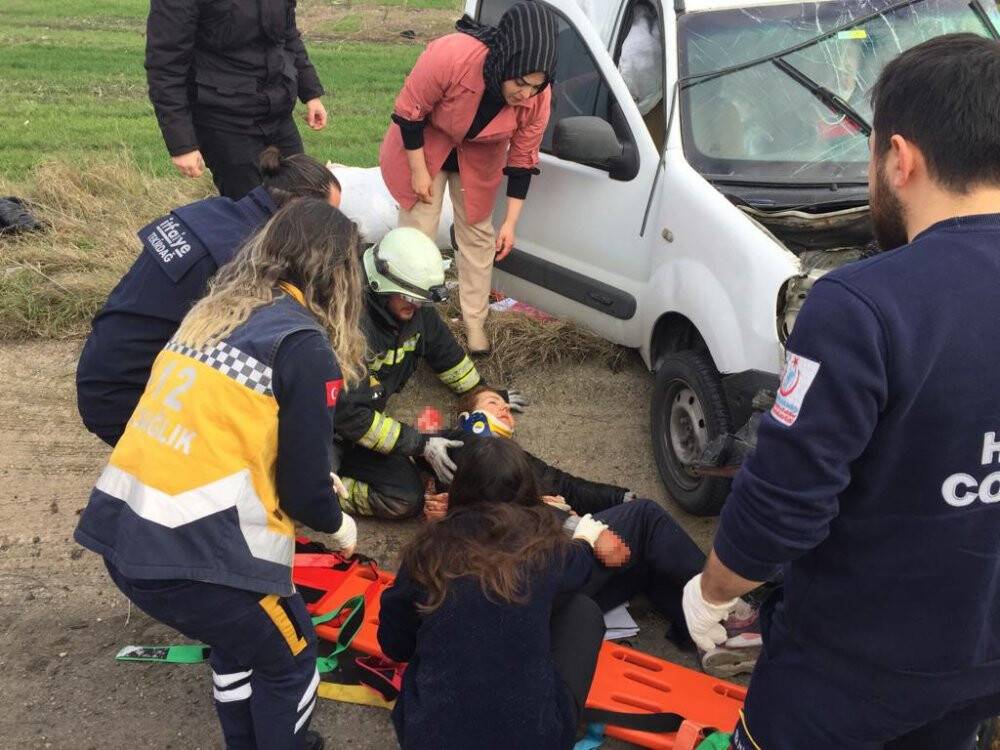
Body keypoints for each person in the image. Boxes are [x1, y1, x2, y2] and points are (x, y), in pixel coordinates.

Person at [680, 34, 1000, 749]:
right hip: (980, 665)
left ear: (898, 158)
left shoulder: (862, 305)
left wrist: (711, 592)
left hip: (848, 674)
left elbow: (783, 504)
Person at [74, 199, 367, 750]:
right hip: (196, 560)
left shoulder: (212, 315)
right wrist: (339, 525)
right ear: (339, 273)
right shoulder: (303, 346)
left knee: (238, 646)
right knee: (291, 658)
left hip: (124, 536)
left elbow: (228, 428)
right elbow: (305, 494)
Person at [426, 387, 761, 677]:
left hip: (549, 591)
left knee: (642, 558)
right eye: (491, 403)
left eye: (504, 404)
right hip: (537, 577)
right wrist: (580, 525)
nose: (503, 409)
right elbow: (499, 512)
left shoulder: (511, 458)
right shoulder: (467, 443)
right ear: (469, 417)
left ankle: (711, 637)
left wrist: (616, 498)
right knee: (646, 518)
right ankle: (728, 610)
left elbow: (562, 484)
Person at [76, 147, 340, 447]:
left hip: (101, 373)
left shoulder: (213, 214)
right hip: (128, 398)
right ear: (298, 208)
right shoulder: (244, 257)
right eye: (327, 217)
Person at [377, 438, 607, 750]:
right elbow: (582, 568)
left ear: (458, 490)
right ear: (527, 492)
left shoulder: (428, 551)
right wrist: (584, 536)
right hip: (535, 740)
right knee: (582, 611)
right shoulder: (543, 547)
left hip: (429, 740)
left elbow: (394, 644)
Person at [379, 2, 557, 354]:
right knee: (417, 234)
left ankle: (474, 322)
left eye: (536, 87)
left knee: (478, 236)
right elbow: (410, 112)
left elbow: (522, 158)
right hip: (427, 142)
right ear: (506, 60)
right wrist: (418, 171)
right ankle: (405, 321)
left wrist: (510, 222)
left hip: (480, 155)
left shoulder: (538, 99)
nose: (525, 94)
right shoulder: (453, 55)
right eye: (520, 82)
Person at [333, 227, 525, 520]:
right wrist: (421, 444)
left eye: (422, 299)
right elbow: (348, 416)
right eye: (411, 298)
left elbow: (448, 356)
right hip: (327, 426)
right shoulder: (349, 328)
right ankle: (324, 492)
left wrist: (484, 394)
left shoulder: (413, 311)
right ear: (381, 283)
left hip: (364, 424)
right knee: (309, 482)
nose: (418, 306)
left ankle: (330, 488)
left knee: (407, 499)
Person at [146, 0, 328, 199]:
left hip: (277, 111)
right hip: (224, 120)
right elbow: (165, 66)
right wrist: (182, 145)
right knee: (250, 215)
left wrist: (310, 93)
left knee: (304, 199)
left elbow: (288, 35)